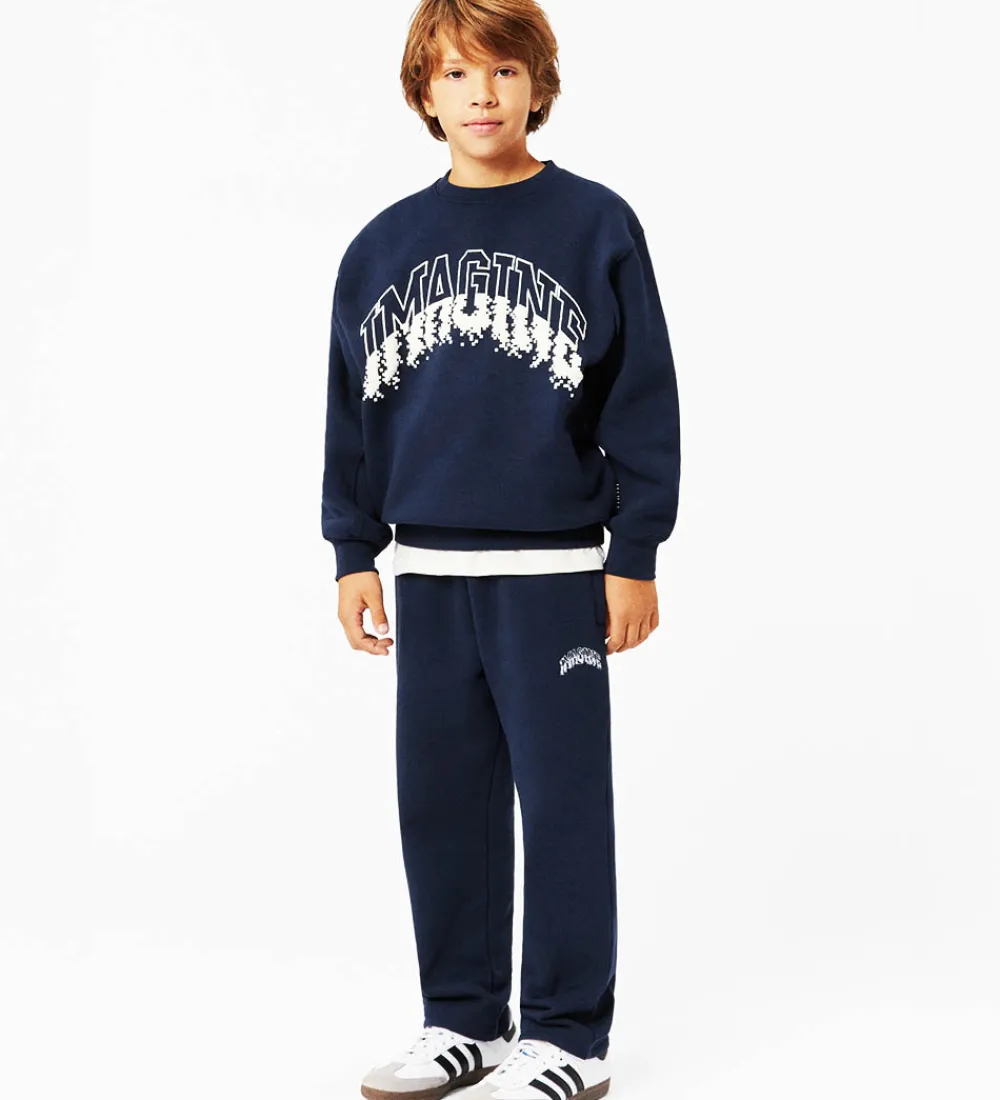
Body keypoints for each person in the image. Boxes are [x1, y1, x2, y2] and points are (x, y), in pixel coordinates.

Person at [321, 2, 681, 1097]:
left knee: (562, 804)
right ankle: (463, 1020)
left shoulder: (595, 223)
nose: (481, 94)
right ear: (423, 94)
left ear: (538, 85)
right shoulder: (381, 245)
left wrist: (634, 554)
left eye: (503, 71)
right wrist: (352, 549)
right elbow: (351, 415)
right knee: (440, 802)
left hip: (554, 575)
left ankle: (568, 1035)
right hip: (428, 575)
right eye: (455, 74)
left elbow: (643, 399)